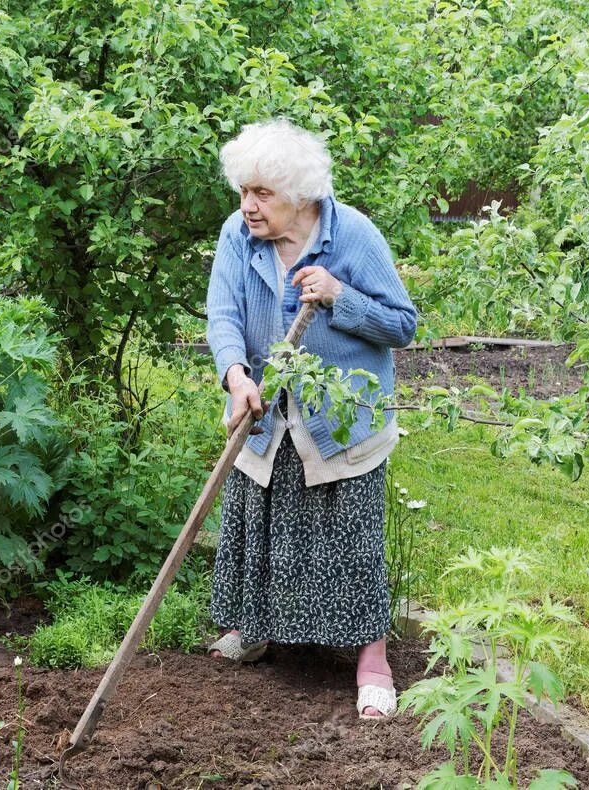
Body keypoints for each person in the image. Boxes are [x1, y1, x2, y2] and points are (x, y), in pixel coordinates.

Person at [204, 118, 418, 719]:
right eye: (244, 192)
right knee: (263, 523)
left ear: (298, 195)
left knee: (350, 540)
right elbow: (222, 315)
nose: (247, 205)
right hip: (265, 414)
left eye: (261, 194)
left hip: (340, 420)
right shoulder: (236, 237)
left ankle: (371, 659)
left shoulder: (352, 236)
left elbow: (403, 324)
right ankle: (257, 629)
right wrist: (236, 375)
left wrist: (338, 296)